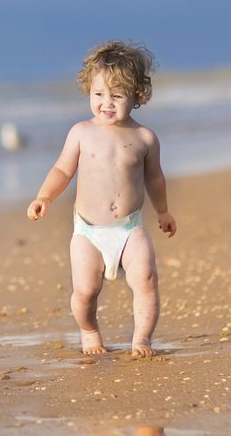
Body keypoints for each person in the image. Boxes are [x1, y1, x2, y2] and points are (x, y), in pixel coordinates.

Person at [26, 40, 177, 357]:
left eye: (117, 96)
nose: (106, 103)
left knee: (146, 279)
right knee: (85, 291)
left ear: (137, 96)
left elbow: (155, 178)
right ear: (88, 91)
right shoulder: (81, 132)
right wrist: (44, 196)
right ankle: (89, 330)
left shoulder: (144, 138)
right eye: (99, 95)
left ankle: (142, 339)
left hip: (129, 228)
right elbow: (62, 170)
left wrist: (162, 211)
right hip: (89, 232)